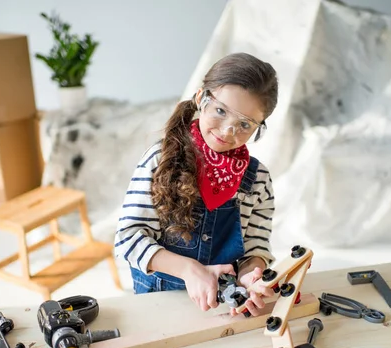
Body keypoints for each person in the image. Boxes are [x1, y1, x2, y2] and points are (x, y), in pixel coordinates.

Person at [114, 52, 279, 316]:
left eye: (245, 124)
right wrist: (190, 270)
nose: (228, 131)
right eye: (221, 111)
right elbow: (128, 238)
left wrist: (252, 274)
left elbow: (256, 246)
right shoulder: (160, 160)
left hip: (222, 309)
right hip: (160, 304)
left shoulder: (257, 179)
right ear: (202, 98)